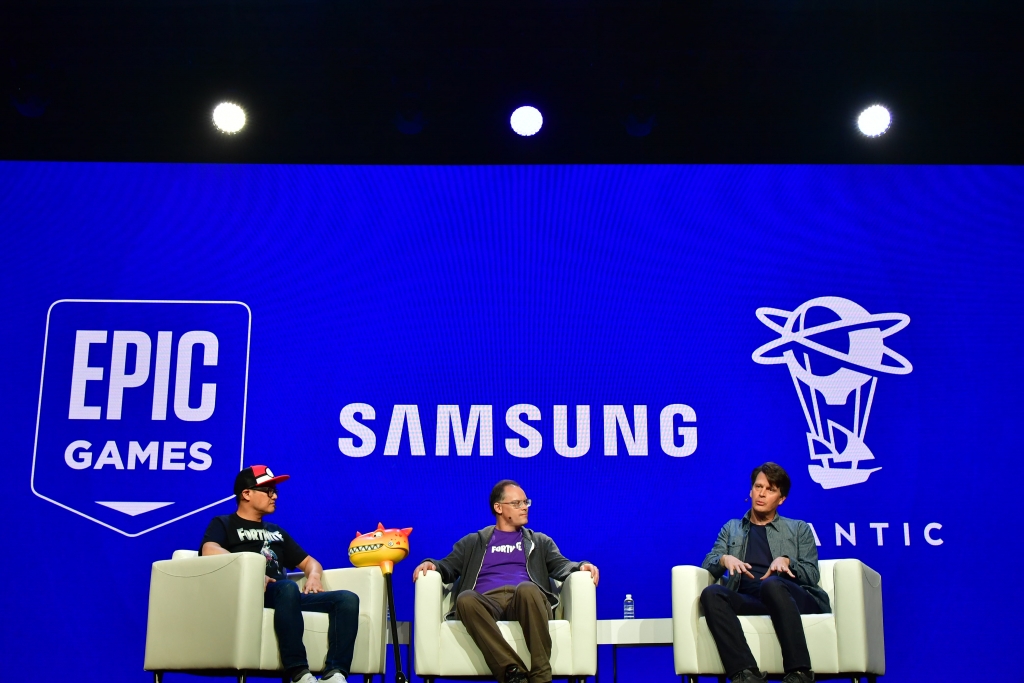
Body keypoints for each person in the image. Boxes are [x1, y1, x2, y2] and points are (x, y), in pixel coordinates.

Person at [412, 480, 599, 683]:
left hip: (526, 600)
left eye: (526, 502)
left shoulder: (539, 541)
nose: (524, 507)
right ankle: (512, 672)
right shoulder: (473, 542)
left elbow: (561, 564)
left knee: (527, 589)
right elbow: (448, 565)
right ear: (498, 508)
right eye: (517, 503)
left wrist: (580, 566)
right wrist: (431, 564)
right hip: (487, 601)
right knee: (465, 599)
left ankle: (541, 676)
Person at [201, 465, 360, 683]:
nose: (274, 496)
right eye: (268, 491)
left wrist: (313, 576)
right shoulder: (224, 523)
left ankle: (335, 673)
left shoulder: (276, 531)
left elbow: (309, 562)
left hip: (286, 596)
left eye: (275, 491)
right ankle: (298, 672)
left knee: (346, 599)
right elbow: (209, 549)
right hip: (253, 595)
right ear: (246, 494)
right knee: (287, 587)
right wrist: (252, 571)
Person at [699, 462, 831, 683]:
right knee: (712, 593)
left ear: (781, 499)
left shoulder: (798, 529)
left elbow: (811, 574)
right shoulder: (732, 528)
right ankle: (745, 674)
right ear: (751, 491)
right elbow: (707, 564)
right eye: (758, 487)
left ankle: (800, 672)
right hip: (752, 599)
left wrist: (787, 562)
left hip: (792, 597)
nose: (761, 494)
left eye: (770, 489)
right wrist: (724, 559)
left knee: (772, 584)